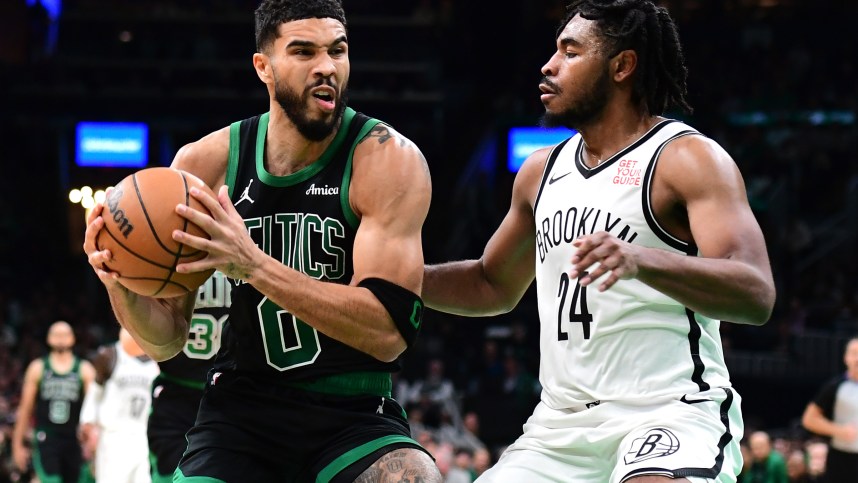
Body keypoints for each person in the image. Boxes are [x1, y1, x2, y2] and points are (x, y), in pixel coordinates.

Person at [82, 1, 440, 482]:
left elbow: (388, 334)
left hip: (353, 411)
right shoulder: (202, 165)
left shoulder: (386, 160)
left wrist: (252, 264)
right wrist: (119, 279)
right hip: (239, 413)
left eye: (338, 50)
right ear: (263, 67)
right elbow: (165, 340)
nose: (326, 67)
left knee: (413, 477)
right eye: (303, 51)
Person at [422, 1, 775, 482]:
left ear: (622, 66)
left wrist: (641, 260)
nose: (549, 65)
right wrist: (399, 278)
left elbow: (755, 293)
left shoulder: (686, 159)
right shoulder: (538, 173)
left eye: (571, 51)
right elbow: (491, 285)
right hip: (559, 427)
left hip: (669, 413)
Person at [146, 271, 230, 483]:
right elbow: (132, 343)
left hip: (235, 392)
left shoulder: (256, 245)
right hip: (178, 394)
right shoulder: (170, 247)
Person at [12, 321, 95, 483]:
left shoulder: (85, 369)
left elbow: (94, 409)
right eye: (56, 334)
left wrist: (93, 444)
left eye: (64, 334)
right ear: (48, 339)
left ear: (73, 339)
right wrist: (17, 444)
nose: (60, 338)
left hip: (74, 438)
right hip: (47, 437)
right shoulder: (38, 368)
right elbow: (25, 409)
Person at [79, 328, 159, 483]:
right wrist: (88, 423)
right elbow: (95, 393)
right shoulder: (110, 354)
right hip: (114, 436)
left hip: (145, 436)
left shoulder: (159, 360)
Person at [801, 336, 858, 480]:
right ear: (846, 358)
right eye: (854, 353)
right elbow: (809, 419)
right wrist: (839, 430)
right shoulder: (835, 386)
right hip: (842, 458)